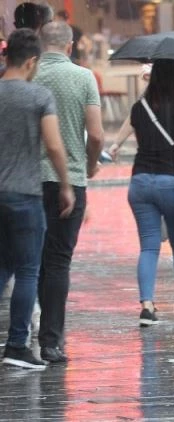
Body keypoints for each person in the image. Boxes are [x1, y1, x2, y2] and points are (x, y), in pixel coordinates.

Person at [0, 28, 75, 370]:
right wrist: (66, 184)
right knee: (28, 270)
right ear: (32, 61)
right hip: (26, 194)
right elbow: (55, 145)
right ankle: (17, 345)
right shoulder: (38, 96)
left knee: (2, 268)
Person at [34, 21, 104, 363]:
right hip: (70, 180)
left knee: (34, 261)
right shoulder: (84, 77)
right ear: (70, 46)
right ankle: (51, 340)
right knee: (59, 260)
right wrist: (89, 164)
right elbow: (98, 134)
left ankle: (27, 331)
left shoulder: (24, 77)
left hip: (28, 180)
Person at [127, 59, 174, 327]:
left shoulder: (138, 108)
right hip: (171, 181)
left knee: (148, 246)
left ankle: (147, 305)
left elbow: (145, 142)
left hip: (140, 181)